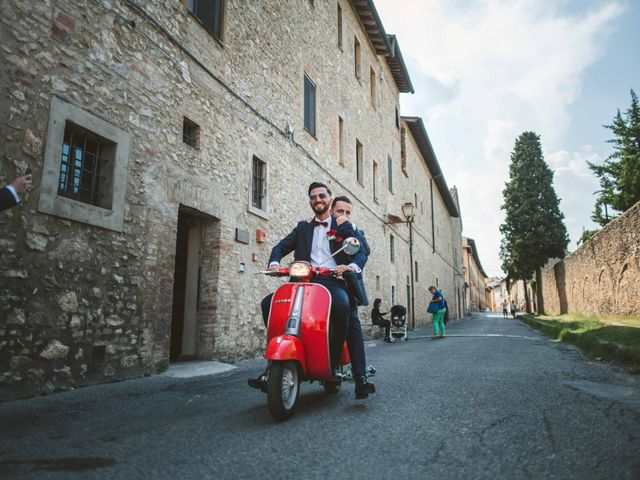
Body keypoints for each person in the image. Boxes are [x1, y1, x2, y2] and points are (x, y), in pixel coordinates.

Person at [249, 182, 374, 399]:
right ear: (310, 202)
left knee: (343, 306)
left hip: (332, 281)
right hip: (302, 280)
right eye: (313, 197)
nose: (318, 200)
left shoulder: (342, 225)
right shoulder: (303, 227)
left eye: (322, 196)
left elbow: (361, 252)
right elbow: (280, 247)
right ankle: (273, 365)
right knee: (268, 303)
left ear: (329, 199)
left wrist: (350, 267)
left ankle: (337, 362)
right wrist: (274, 263)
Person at [331, 195, 375, 397]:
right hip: (322, 283)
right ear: (332, 211)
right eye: (340, 211)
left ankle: (360, 377)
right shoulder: (325, 229)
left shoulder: (356, 231)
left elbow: (365, 250)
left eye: (348, 212)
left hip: (347, 284)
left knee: (353, 323)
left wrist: (348, 226)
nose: (344, 215)